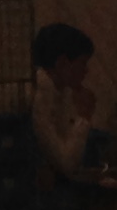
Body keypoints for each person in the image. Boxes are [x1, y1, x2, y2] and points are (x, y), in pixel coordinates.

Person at [30, 23, 100, 179]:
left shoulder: (57, 91)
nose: (86, 71)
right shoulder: (40, 95)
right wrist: (84, 117)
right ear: (62, 63)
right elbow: (66, 163)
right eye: (82, 63)